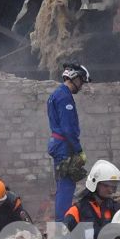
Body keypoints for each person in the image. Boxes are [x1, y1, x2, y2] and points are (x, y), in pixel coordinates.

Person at [46, 61, 88, 217]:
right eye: (81, 81)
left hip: (58, 144)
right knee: (66, 186)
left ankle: (61, 224)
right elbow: (67, 128)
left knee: (62, 186)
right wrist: (79, 150)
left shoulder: (56, 94)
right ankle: (62, 227)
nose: (81, 86)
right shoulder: (65, 97)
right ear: (74, 78)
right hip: (64, 146)